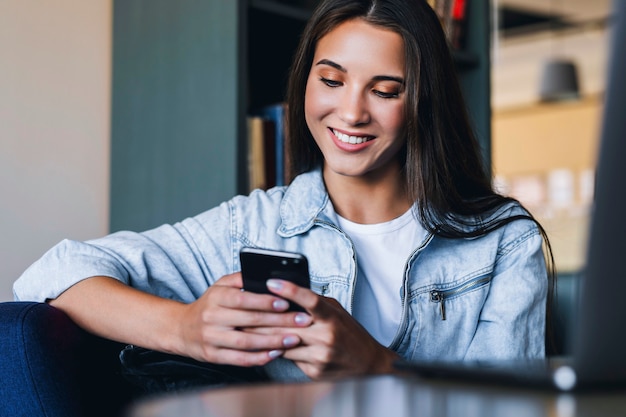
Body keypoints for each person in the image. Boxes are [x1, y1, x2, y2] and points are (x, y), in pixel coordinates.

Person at [14, 0, 555, 393]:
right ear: (305, 84)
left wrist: (381, 368)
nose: (351, 113)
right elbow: (52, 273)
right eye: (331, 80)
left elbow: (513, 407)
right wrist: (185, 328)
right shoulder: (253, 226)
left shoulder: (504, 241)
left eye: (386, 90)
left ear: (423, 104)